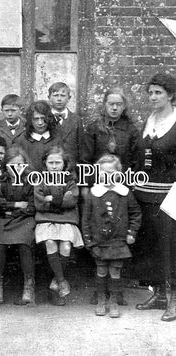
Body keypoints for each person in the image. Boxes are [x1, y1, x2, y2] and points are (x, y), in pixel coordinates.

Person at [80, 87, 140, 306]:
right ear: (104, 105)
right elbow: (86, 159)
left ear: (124, 107)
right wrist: (86, 187)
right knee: (98, 231)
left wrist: (128, 184)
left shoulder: (131, 130)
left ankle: (117, 290)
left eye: (119, 104)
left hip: (121, 186)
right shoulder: (95, 127)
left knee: (119, 234)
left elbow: (135, 160)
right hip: (99, 185)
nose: (114, 108)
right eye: (110, 104)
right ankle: (99, 291)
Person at [133, 73, 176, 322]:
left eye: (158, 92)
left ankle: (173, 299)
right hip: (146, 194)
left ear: (170, 94)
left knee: (170, 247)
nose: (153, 97)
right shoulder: (150, 120)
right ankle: (159, 294)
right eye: (150, 93)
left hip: (170, 196)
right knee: (151, 247)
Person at [82, 154, 141, 318]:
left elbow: (136, 213)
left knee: (115, 271)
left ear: (118, 173)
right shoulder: (93, 193)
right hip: (99, 241)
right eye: (103, 172)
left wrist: (132, 232)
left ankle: (113, 301)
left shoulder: (124, 192)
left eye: (110, 172)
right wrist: (89, 241)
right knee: (101, 270)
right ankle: (102, 300)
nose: (106, 176)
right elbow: (86, 219)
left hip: (118, 241)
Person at [34, 146, 83, 306]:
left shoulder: (70, 180)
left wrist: (50, 199)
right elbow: (39, 203)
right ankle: (62, 281)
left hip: (67, 219)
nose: (54, 166)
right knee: (49, 242)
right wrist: (60, 200)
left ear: (64, 164)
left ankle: (56, 283)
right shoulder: (40, 179)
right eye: (51, 162)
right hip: (45, 219)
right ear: (45, 163)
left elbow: (72, 200)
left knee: (66, 246)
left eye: (58, 162)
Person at [0, 146, 36, 305]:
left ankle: (28, 285)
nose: (16, 168)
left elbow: (32, 206)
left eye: (20, 165)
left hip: (24, 219)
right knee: (0, 245)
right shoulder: (1, 180)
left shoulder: (31, 180)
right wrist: (17, 204)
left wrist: (12, 210)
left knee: (24, 244)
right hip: (5, 219)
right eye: (12, 165)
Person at [13, 100, 59, 172]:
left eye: (43, 118)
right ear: (30, 120)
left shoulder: (57, 138)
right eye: (36, 119)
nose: (40, 123)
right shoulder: (21, 140)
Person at [47, 82, 82, 167]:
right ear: (49, 98)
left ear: (69, 98)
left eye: (63, 96)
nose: (59, 99)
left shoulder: (76, 119)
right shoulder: (45, 118)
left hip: (71, 167)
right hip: (51, 166)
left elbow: (81, 146)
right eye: (55, 95)